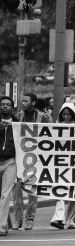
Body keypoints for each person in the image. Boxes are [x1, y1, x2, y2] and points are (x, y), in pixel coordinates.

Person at [13, 93, 51, 230]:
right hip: (19, 158)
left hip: (36, 158)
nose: (22, 103)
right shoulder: (17, 117)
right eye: (21, 101)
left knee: (32, 191)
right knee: (16, 189)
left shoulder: (44, 118)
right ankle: (18, 219)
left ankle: (29, 218)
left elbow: (50, 136)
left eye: (25, 101)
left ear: (33, 103)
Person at [50, 103, 75, 229]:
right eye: (63, 114)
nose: (66, 116)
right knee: (60, 189)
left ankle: (70, 220)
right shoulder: (56, 127)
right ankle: (58, 218)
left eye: (68, 114)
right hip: (61, 163)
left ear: (73, 115)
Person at [0, 96, 18, 236]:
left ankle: (1, 226)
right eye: (2, 104)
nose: (5, 106)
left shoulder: (19, 124)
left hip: (10, 162)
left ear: (12, 108)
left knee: (6, 195)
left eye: (8, 104)